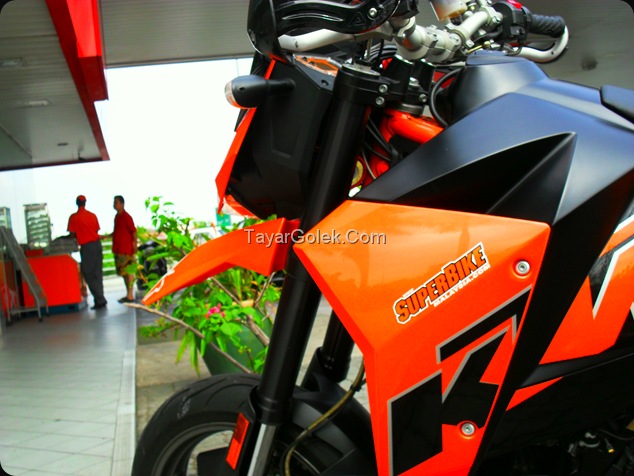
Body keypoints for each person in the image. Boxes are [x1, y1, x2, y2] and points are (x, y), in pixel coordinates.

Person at [67, 195, 107, 310]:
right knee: (97, 273)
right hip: (97, 245)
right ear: (85, 203)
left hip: (87, 247)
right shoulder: (92, 215)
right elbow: (96, 230)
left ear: (77, 203)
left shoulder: (74, 217)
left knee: (87, 273)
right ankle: (100, 299)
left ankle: (100, 299)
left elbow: (72, 235)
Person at [112, 195, 137, 303]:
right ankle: (128, 294)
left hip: (127, 249)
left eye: (116, 202)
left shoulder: (127, 217)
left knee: (129, 272)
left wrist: (134, 245)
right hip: (119, 249)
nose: (114, 205)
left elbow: (133, 231)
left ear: (122, 204)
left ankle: (130, 295)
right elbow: (116, 232)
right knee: (123, 273)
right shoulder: (117, 217)